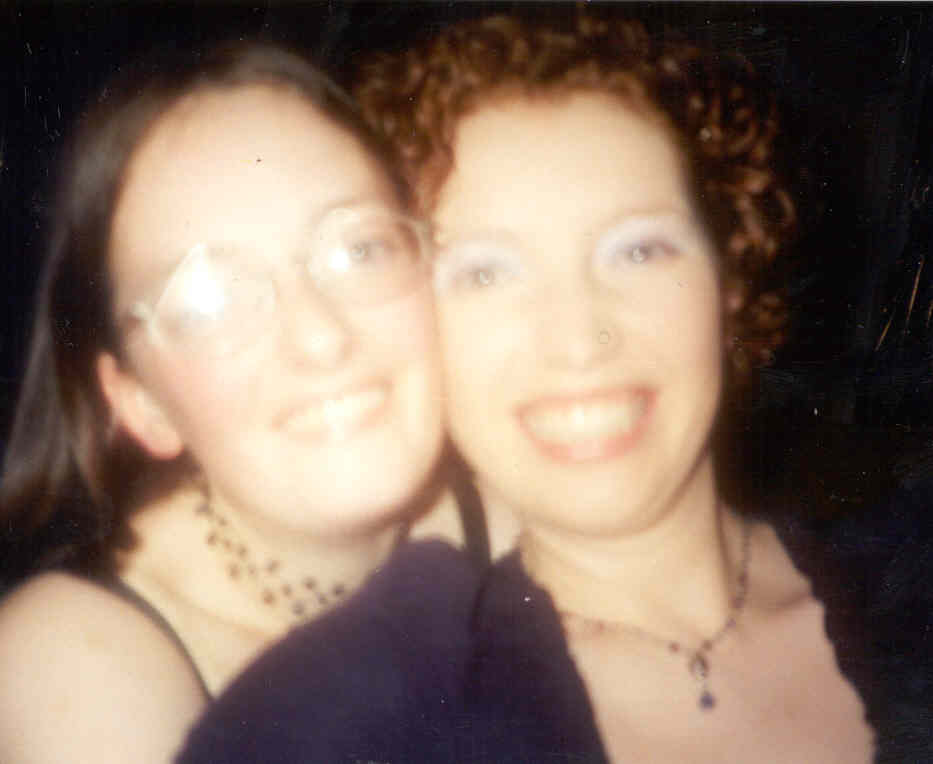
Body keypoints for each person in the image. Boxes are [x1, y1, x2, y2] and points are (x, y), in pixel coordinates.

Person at [179, 12, 930, 763]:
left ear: (728, 277)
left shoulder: (907, 582)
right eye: (484, 273)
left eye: (638, 250)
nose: (577, 341)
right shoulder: (331, 728)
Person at [0, 40, 469, 763]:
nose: (321, 338)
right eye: (210, 301)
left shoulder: (515, 501)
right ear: (141, 403)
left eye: (360, 249)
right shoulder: (73, 663)